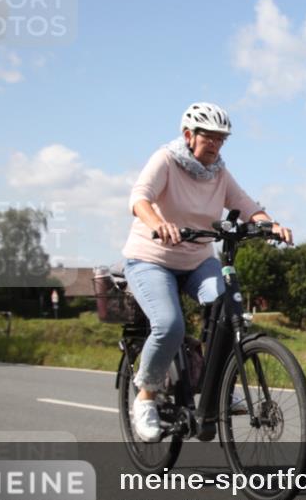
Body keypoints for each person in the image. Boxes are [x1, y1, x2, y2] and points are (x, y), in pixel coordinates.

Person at [122, 102, 292, 442]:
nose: (215, 145)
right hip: (151, 258)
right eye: (209, 138)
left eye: (220, 139)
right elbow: (139, 198)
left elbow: (246, 206)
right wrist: (158, 223)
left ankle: (219, 386)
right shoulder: (166, 160)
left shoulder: (219, 173)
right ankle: (146, 397)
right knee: (170, 325)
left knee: (227, 309)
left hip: (198, 259)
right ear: (189, 136)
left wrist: (269, 225)